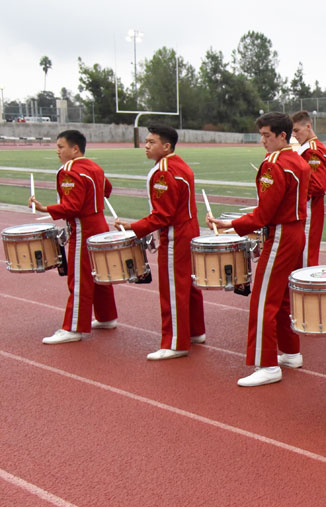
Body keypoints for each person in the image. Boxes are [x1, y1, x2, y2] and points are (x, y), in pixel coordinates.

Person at [208, 112, 310, 386]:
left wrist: (229, 224)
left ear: (282, 136)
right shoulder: (298, 161)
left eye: (267, 135)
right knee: (283, 297)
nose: (262, 141)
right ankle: (290, 351)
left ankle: (266, 364)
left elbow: (264, 214)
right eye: (261, 135)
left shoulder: (274, 164)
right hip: (296, 231)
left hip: (280, 235)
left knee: (264, 299)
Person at [115, 124, 205, 360]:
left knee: (172, 289)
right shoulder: (179, 164)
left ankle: (175, 342)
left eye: (151, 142)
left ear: (166, 146)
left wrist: (132, 227)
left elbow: (162, 215)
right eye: (146, 141)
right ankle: (194, 332)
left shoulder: (164, 171)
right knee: (189, 286)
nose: (145, 146)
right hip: (188, 230)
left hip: (175, 235)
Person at [30, 129, 118, 344]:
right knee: (99, 274)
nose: (57, 152)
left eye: (61, 147)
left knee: (78, 279)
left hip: (83, 228)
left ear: (74, 149)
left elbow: (72, 207)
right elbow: (107, 189)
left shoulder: (69, 170)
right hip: (100, 224)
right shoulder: (94, 166)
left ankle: (73, 328)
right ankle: (106, 316)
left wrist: (45, 208)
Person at [291, 110, 326, 267]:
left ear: (308, 126)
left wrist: (292, 190)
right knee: (299, 254)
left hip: (310, 210)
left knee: (306, 255)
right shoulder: (305, 147)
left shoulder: (313, 150)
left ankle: (307, 290)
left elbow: (317, 186)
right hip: (305, 208)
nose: (294, 135)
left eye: (296, 130)